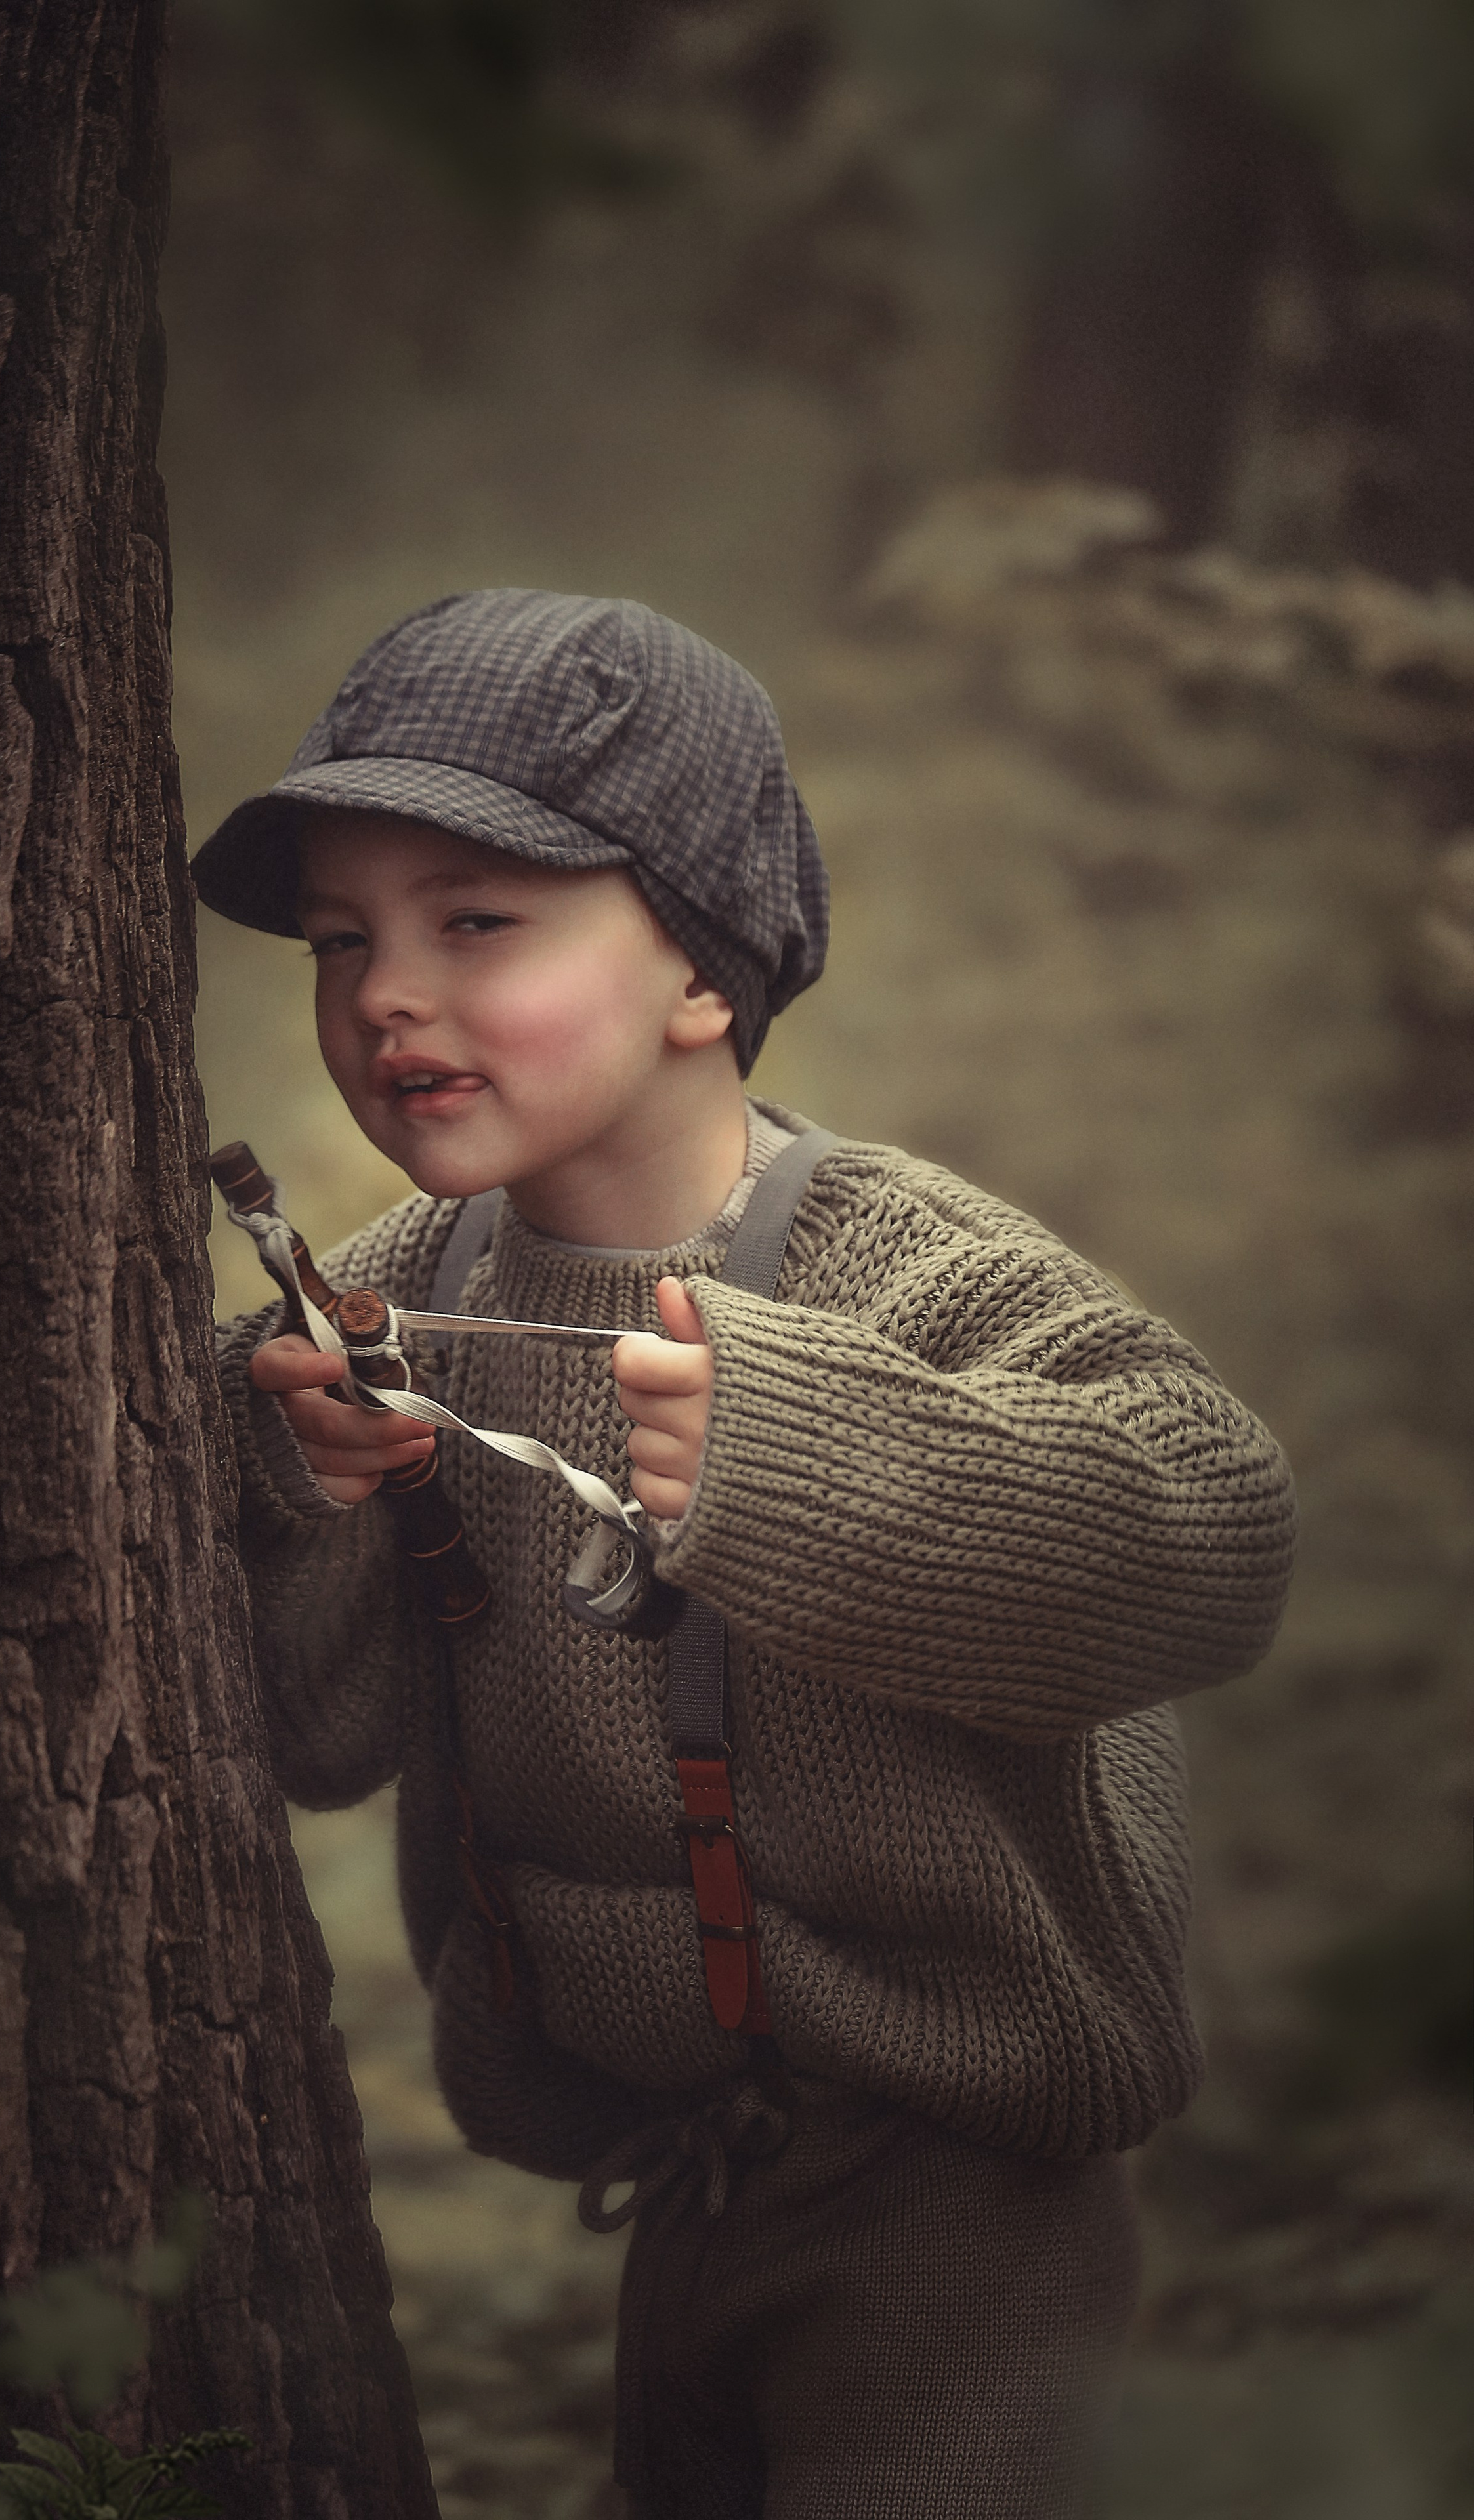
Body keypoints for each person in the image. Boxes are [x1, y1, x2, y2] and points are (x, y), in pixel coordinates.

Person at [192, 588, 1295, 2520]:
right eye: (343, 941)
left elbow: (1213, 1530)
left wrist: (819, 1450)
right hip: (680, 2179)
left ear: (700, 971)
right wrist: (303, 1481)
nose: (383, 996)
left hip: (962, 2206)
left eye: (474, 922)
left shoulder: (905, 1262)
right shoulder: (389, 1299)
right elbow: (315, 1734)